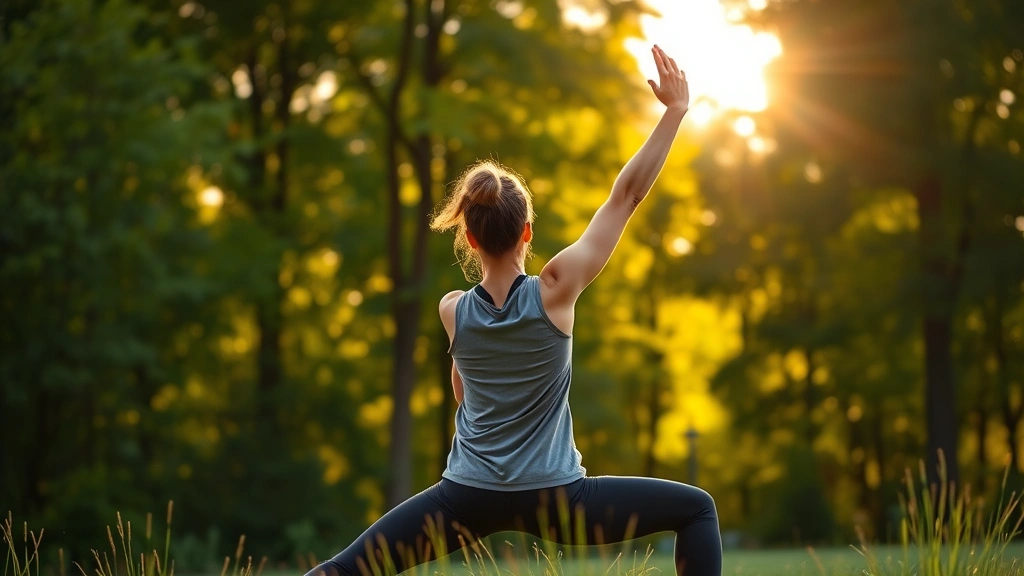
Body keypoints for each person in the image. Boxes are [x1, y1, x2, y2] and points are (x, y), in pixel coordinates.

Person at [307, 44, 721, 576]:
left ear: (470, 238)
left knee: (340, 572)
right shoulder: (555, 288)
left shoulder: (452, 311)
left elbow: (463, 396)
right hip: (556, 500)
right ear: (527, 232)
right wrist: (674, 111)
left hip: (465, 498)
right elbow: (625, 197)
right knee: (697, 510)